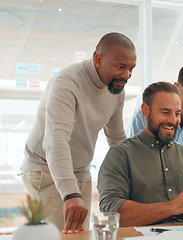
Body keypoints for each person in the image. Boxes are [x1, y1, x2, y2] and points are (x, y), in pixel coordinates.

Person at [21, 32, 136, 234]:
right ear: (98, 59)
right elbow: (56, 140)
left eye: (131, 69)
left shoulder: (116, 90)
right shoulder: (67, 83)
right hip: (46, 170)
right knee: (66, 236)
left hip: (81, 172)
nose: (126, 75)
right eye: (121, 67)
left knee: (80, 235)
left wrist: (132, 177)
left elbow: (117, 139)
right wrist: (70, 195)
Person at [98, 82, 183, 226]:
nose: (173, 120)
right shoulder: (120, 155)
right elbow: (111, 213)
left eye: (177, 114)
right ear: (145, 110)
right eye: (165, 112)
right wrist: (173, 206)